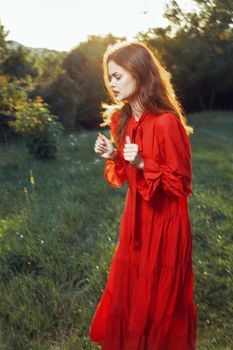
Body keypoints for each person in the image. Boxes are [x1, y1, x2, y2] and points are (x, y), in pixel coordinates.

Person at [90, 41, 197, 350]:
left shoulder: (166, 123)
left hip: (166, 225)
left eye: (118, 76)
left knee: (160, 299)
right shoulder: (123, 120)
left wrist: (140, 161)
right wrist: (115, 154)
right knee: (133, 289)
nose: (112, 83)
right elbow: (126, 176)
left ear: (140, 73)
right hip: (136, 222)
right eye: (109, 77)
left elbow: (180, 184)